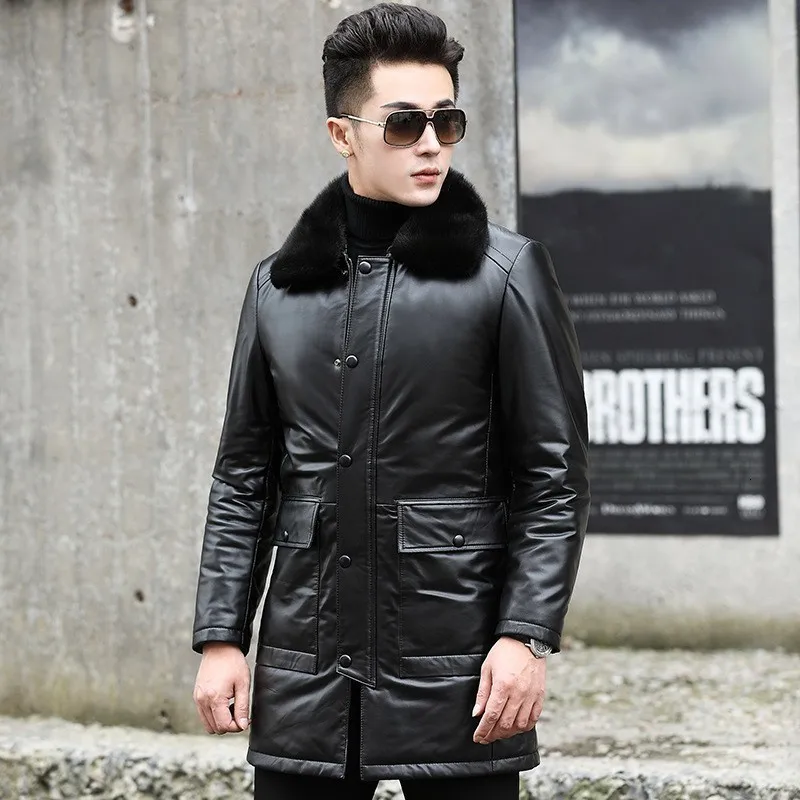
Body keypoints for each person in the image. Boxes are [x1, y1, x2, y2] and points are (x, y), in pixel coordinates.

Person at [191, 4, 590, 799]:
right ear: (342, 135)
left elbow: (554, 477)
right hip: (305, 665)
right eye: (405, 124)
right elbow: (243, 476)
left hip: (460, 666)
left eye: (448, 120)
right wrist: (220, 637)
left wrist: (526, 636)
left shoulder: (506, 275)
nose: (432, 143)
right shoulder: (277, 287)